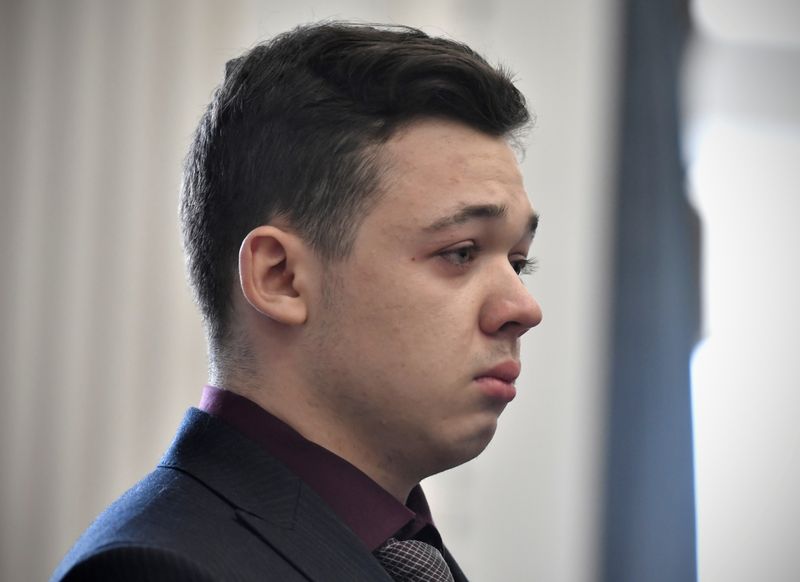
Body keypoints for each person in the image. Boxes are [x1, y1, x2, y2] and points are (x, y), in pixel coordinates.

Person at [51, 21, 542, 581]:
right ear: (280, 277)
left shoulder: (400, 549)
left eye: (519, 262)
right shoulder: (155, 570)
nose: (524, 308)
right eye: (460, 253)